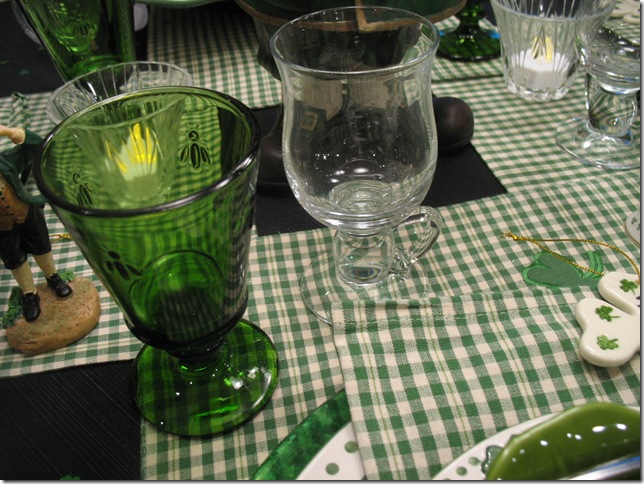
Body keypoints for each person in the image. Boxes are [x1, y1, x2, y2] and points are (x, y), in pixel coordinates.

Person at [0, 124, 72, 322]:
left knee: (42, 247)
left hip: (26, 214)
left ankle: (53, 277)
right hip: (2, 229)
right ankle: (29, 293)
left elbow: (36, 148)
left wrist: (10, 132)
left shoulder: (5, 162)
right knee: (15, 260)